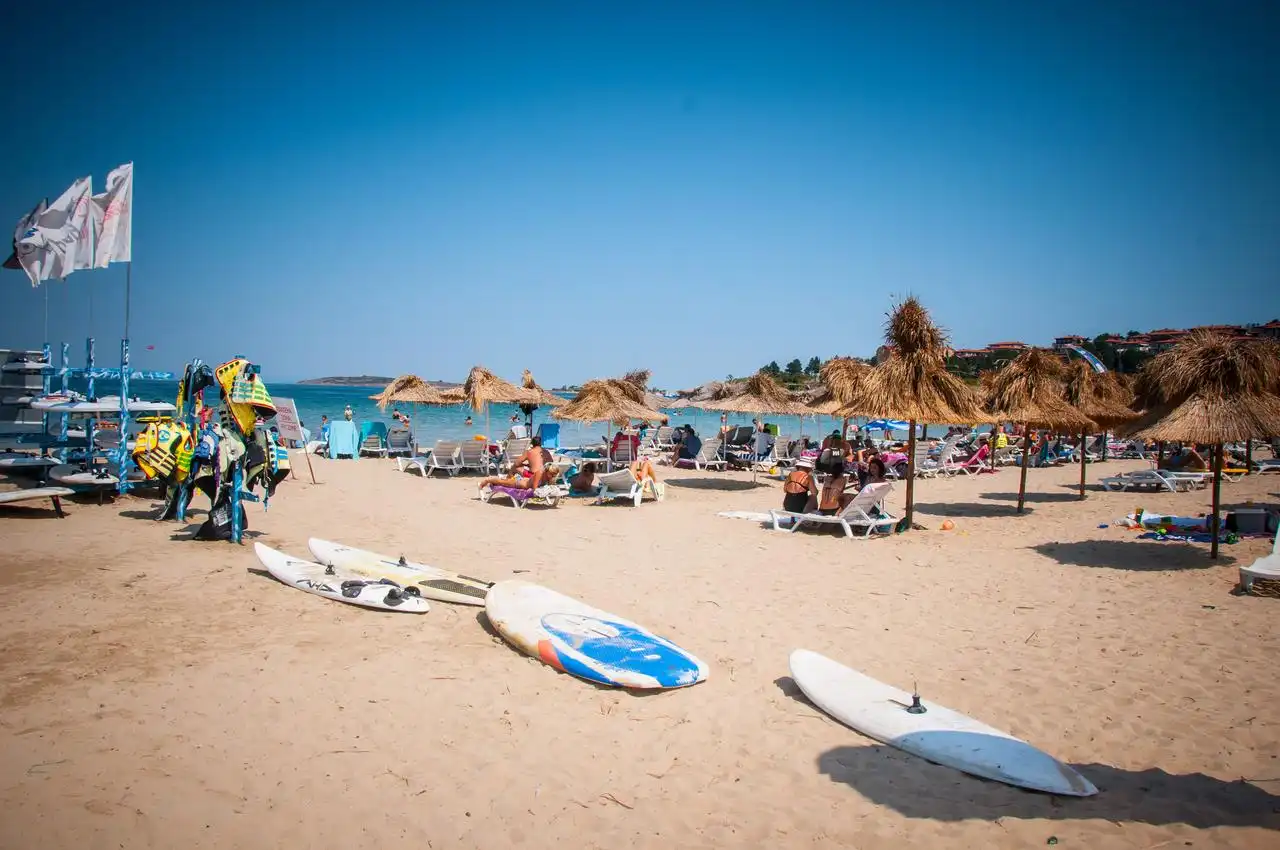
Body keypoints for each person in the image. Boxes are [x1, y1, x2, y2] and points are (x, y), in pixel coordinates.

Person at [479, 436, 553, 491]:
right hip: (544, 477)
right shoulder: (545, 452)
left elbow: (517, 463)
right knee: (510, 479)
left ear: (532, 444)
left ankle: (507, 479)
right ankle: (506, 480)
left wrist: (525, 465)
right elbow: (551, 464)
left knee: (514, 468)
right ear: (540, 443)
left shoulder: (530, 451)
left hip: (532, 477)